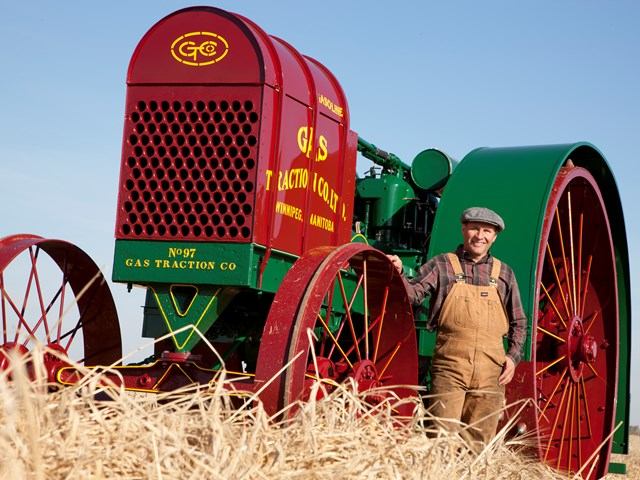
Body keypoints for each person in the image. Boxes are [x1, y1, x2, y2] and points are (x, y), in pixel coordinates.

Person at [388, 207, 526, 448]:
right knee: (441, 439)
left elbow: (519, 322)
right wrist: (398, 273)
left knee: (477, 445)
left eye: (487, 231)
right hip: (450, 367)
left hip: (490, 372)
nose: (479, 235)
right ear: (463, 229)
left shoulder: (504, 273)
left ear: (494, 237)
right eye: (474, 228)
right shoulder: (442, 265)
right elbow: (412, 295)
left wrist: (513, 357)